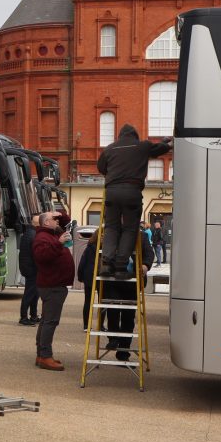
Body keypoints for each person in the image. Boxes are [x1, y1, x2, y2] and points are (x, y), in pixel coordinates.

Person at [96, 125, 171, 280]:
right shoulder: (142, 146)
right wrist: (167, 141)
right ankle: (121, 267)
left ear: (119, 136)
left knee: (111, 227)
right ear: (135, 136)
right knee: (130, 229)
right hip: (132, 192)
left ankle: (106, 263)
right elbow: (160, 149)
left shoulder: (110, 148)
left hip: (112, 192)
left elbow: (101, 167)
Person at [32, 211, 74, 371]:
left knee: (46, 320)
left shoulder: (53, 232)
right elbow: (42, 256)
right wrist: (59, 243)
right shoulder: (42, 237)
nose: (57, 221)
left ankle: (41, 354)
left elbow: (67, 221)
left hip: (55, 284)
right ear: (46, 223)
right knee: (50, 321)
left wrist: (59, 214)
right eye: (53, 219)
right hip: (52, 285)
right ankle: (45, 356)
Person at [106, 226, 154, 361]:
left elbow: (149, 253)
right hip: (113, 280)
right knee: (113, 310)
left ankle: (123, 352)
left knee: (128, 317)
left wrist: (145, 265)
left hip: (132, 281)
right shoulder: (112, 234)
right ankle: (113, 338)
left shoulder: (141, 236)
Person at [18, 215, 40, 326]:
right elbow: (35, 254)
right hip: (32, 269)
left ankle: (33, 315)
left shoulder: (28, 233)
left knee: (34, 293)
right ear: (37, 224)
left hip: (28, 267)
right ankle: (24, 317)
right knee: (30, 293)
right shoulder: (34, 235)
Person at [77, 228, 101, 332]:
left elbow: (82, 262)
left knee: (88, 301)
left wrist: (80, 276)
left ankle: (86, 325)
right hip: (101, 276)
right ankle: (100, 325)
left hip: (89, 276)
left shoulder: (89, 247)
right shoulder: (107, 247)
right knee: (102, 302)